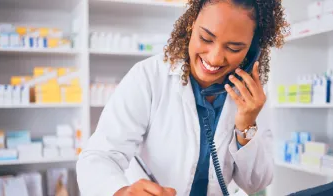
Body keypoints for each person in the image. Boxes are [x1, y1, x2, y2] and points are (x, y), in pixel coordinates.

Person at [76, 0, 287, 195]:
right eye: (206, 38)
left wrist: (246, 125)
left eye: (233, 48)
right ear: (191, 24)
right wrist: (120, 192)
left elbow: (256, 183)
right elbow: (99, 156)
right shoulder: (149, 77)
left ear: (253, 49)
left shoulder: (252, 96)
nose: (214, 58)